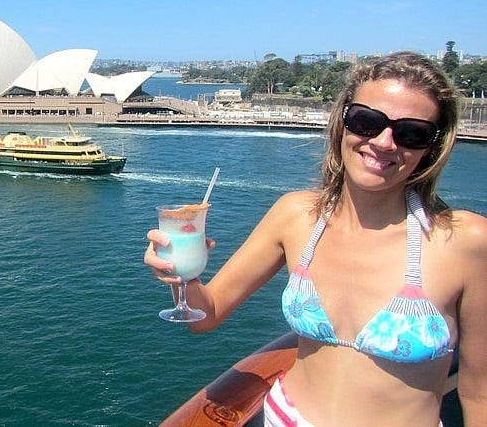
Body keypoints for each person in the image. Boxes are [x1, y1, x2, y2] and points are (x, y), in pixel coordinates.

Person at [145, 52, 487, 426]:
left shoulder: (466, 241)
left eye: (412, 132)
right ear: (342, 123)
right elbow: (205, 316)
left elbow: (478, 392)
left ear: (433, 147)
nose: (385, 142)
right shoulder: (296, 216)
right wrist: (182, 276)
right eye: (366, 121)